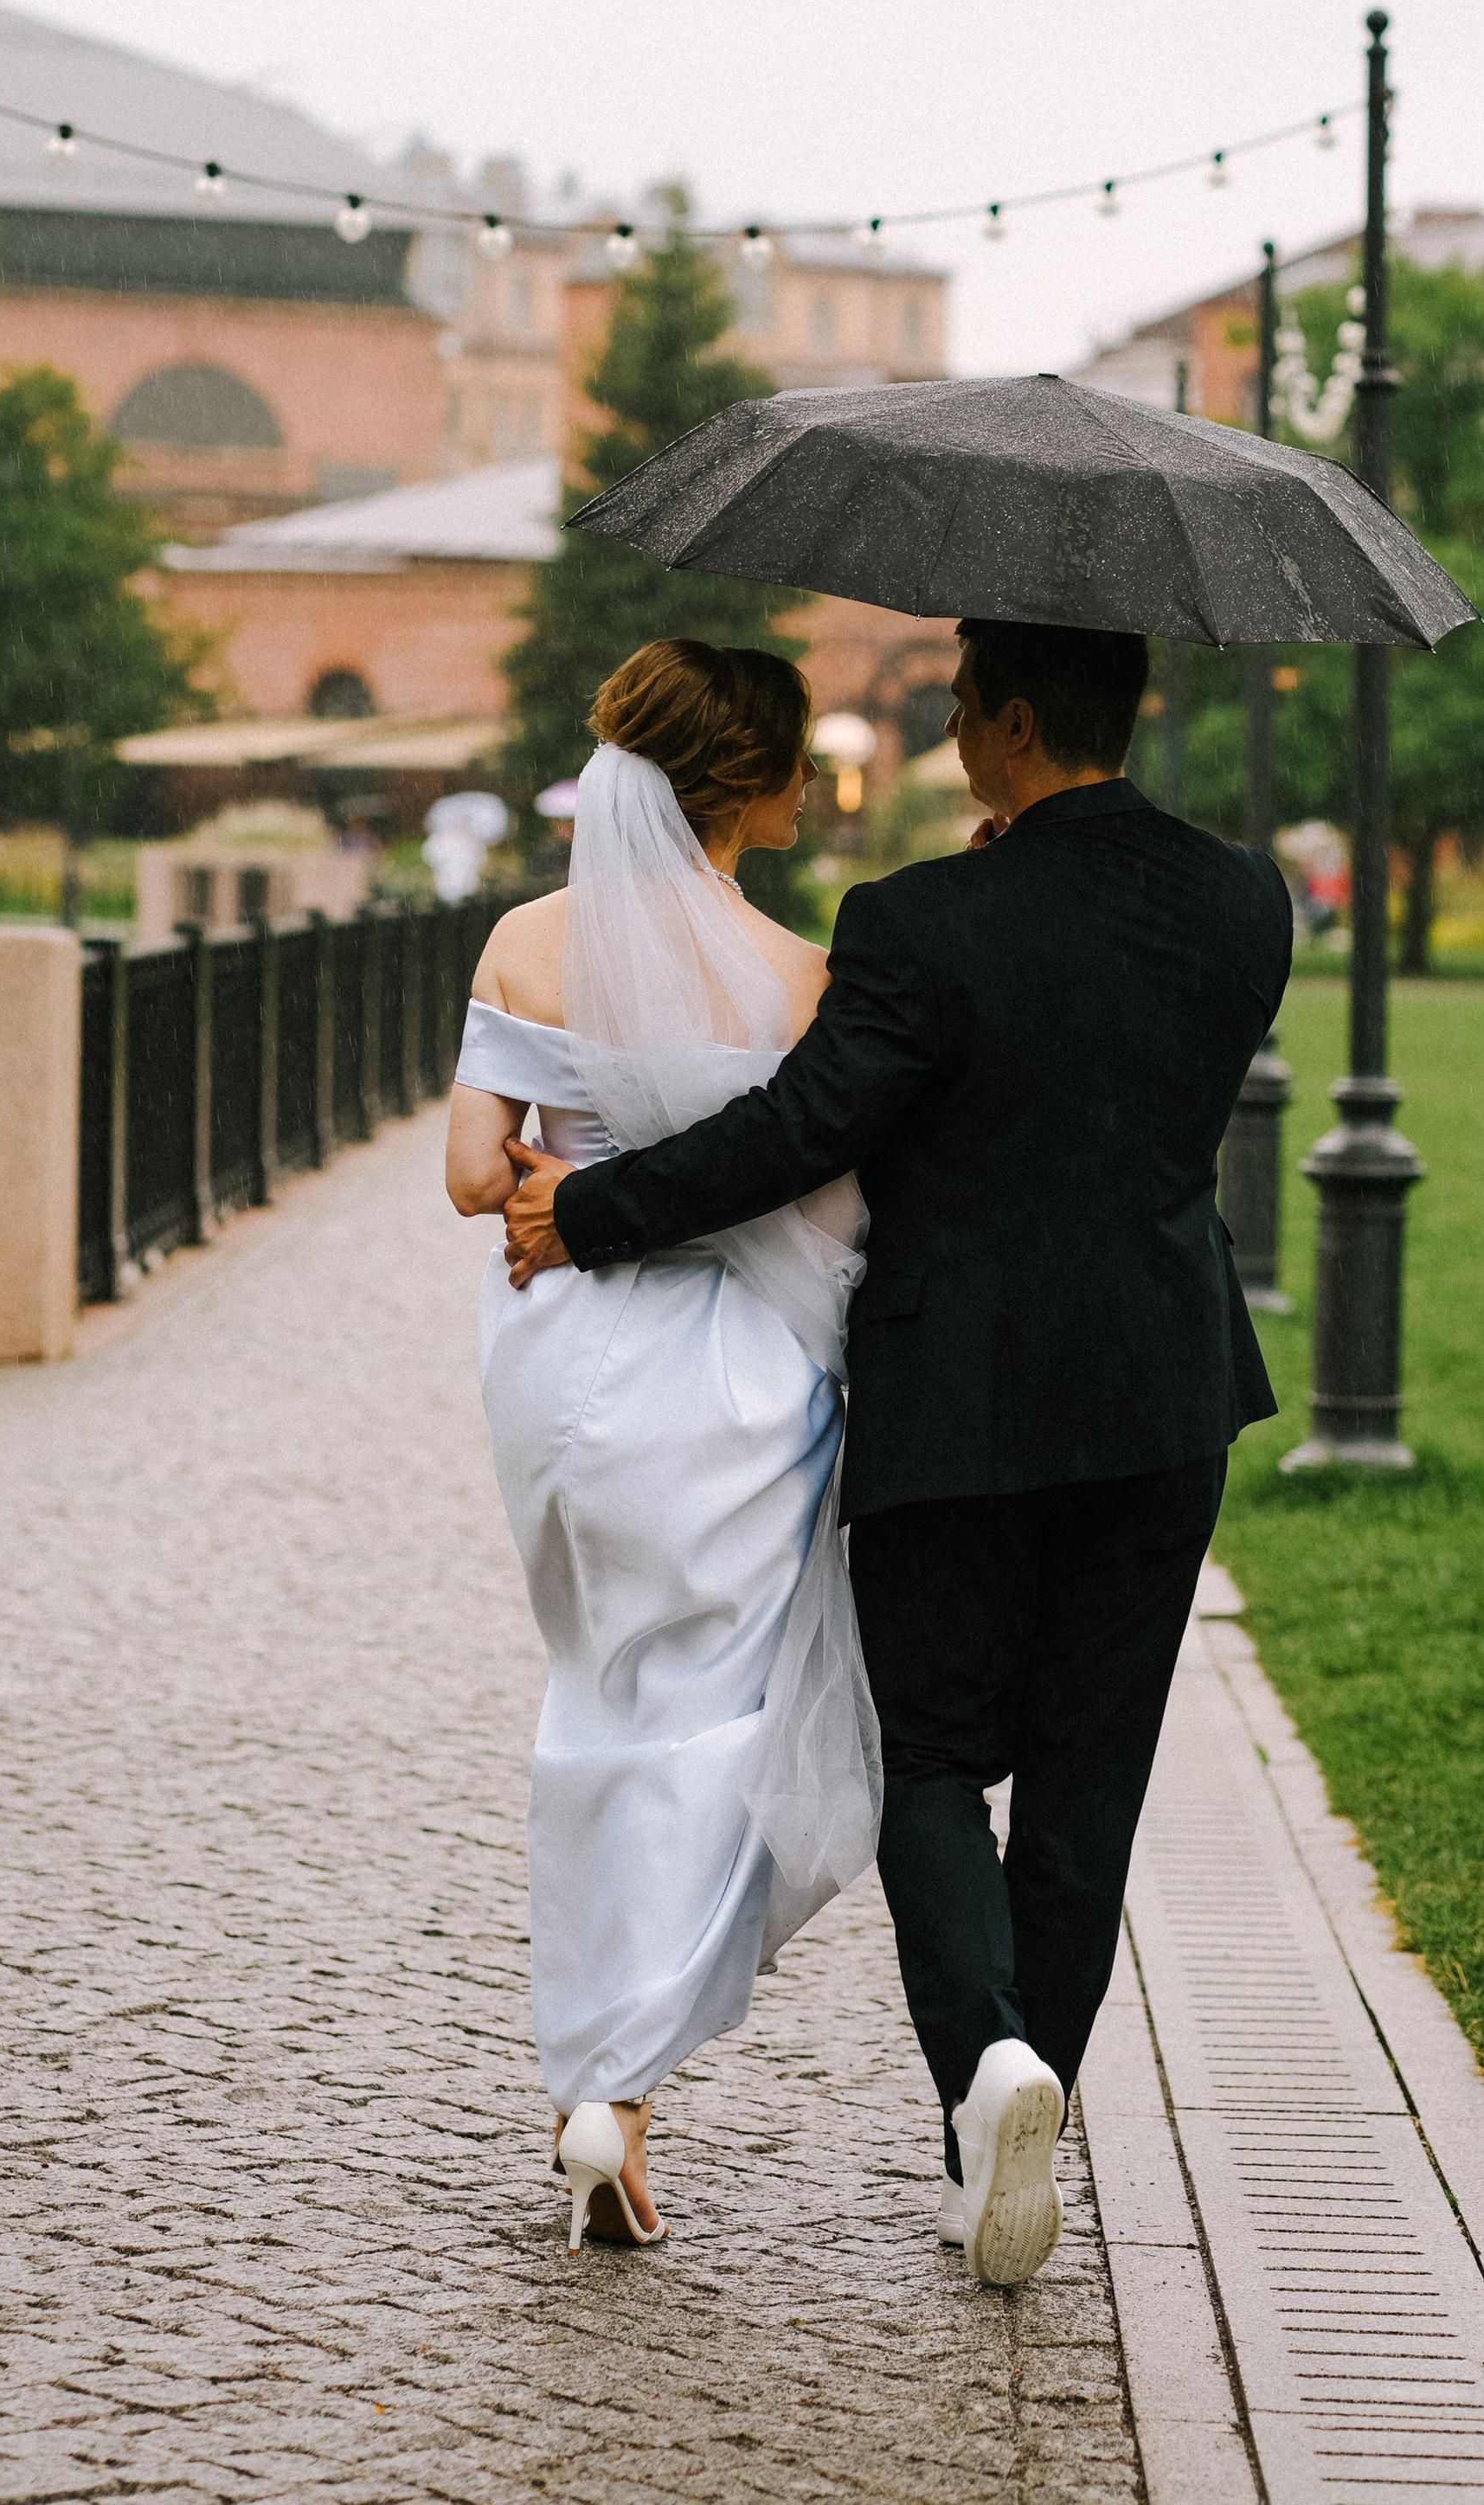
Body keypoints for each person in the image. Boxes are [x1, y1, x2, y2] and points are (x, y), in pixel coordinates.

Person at [504, 619, 1293, 2288]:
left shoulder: (922, 921)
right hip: (1162, 1397)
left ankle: (985, 2063)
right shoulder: (1244, 900)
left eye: (961, 708)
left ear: (1015, 723)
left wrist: (589, 1211)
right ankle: (1015, 2107)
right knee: (1090, 1775)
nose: (946, 731)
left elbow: (804, 1129)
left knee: (927, 1759)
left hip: (961, 1403)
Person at [446, 639, 881, 2255]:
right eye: (798, 761)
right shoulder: (799, 975)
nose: (811, 784)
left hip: (558, 1363)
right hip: (734, 1380)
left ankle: (592, 2076)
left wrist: (576, 1181)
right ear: (747, 785)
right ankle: (617, 2086)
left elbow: (472, 1177)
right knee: (717, 1716)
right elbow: (827, 1210)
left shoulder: (524, 940)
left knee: (594, 1691)